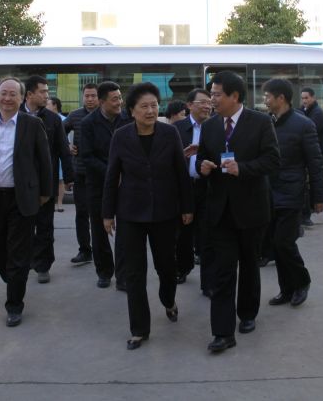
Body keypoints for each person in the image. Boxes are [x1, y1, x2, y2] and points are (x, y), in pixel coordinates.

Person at [102, 82, 194, 350]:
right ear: (132, 110)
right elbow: (112, 176)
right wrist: (107, 213)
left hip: (165, 212)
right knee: (134, 273)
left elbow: (181, 172)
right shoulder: (121, 136)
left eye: (154, 105)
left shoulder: (169, 133)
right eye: (144, 106)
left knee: (166, 266)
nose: (151, 111)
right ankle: (139, 329)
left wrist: (187, 207)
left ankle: (168, 300)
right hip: (130, 212)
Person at [196, 70, 280, 353]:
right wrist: (203, 166)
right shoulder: (210, 126)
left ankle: (247, 313)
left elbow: (272, 160)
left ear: (234, 96)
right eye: (211, 94)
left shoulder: (260, 122)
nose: (212, 100)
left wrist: (242, 168)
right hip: (220, 210)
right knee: (223, 270)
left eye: (217, 95)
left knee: (249, 265)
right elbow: (203, 158)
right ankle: (222, 332)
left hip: (251, 208)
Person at [0, 78, 52, 327]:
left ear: (22, 98)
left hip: (21, 198)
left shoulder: (32, 124)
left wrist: (45, 192)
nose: (7, 98)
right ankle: (16, 278)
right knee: (0, 255)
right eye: (4, 93)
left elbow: (44, 160)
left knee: (18, 254)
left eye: (13, 94)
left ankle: (14, 305)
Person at [263, 79, 323, 308]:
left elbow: (315, 162)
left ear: (281, 98)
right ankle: (286, 289)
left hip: (292, 192)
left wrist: (320, 196)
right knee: (275, 244)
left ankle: (302, 282)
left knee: (284, 242)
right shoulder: (267, 122)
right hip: (269, 192)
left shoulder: (303, 125)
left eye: (268, 96)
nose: (265, 100)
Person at [22, 75, 74, 284]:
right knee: (23, 226)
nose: (47, 95)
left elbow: (63, 149)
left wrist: (69, 177)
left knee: (44, 226)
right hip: (21, 183)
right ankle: (27, 259)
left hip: (46, 181)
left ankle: (43, 265)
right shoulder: (15, 116)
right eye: (43, 91)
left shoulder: (53, 119)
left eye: (47, 91)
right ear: (29, 94)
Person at [81, 81, 132, 290]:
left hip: (126, 184)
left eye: (120, 97)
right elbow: (87, 157)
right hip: (98, 184)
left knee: (126, 230)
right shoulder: (88, 123)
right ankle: (104, 271)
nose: (119, 102)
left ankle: (123, 276)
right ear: (102, 102)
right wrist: (112, 173)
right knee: (99, 229)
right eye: (114, 99)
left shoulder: (128, 118)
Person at [173, 88, 214, 291]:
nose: (207, 106)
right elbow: (166, 158)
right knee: (183, 233)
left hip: (207, 188)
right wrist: (181, 156)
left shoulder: (216, 127)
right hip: (184, 188)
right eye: (202, 102)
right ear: (189, 105)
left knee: (207, 236)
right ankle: (182, 268)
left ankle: (208, 282)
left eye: (209, 102)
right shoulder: (176, 128)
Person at [64, 83, 99, 264]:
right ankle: (85, 250)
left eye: (93, 96)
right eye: (87, 96)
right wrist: (67, 146)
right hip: (81, 173)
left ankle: (101, 251)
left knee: (100, 214)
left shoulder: (106, 114)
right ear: (82, 97)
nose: (90, 99)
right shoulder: (74, 115)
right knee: (82, 213)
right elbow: (59, 132)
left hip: (101, 173)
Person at [299, 87, 323, 227]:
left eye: (306, 98)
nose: (304, 100)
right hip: (304, 154)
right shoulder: (302, 111)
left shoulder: (318, 113)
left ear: (313, 98)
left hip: (313, 153)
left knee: (309, 186)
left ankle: (306, 216)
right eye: (302, 98)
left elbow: (308, 131)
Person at [46, 97, 68, 212]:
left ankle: (59, 203)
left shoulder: (64, 119)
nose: (46, 106)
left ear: (55, 105)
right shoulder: (44, 118)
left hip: (61, 152)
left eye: (48, 104)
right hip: (51, 153)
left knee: (60, 179)